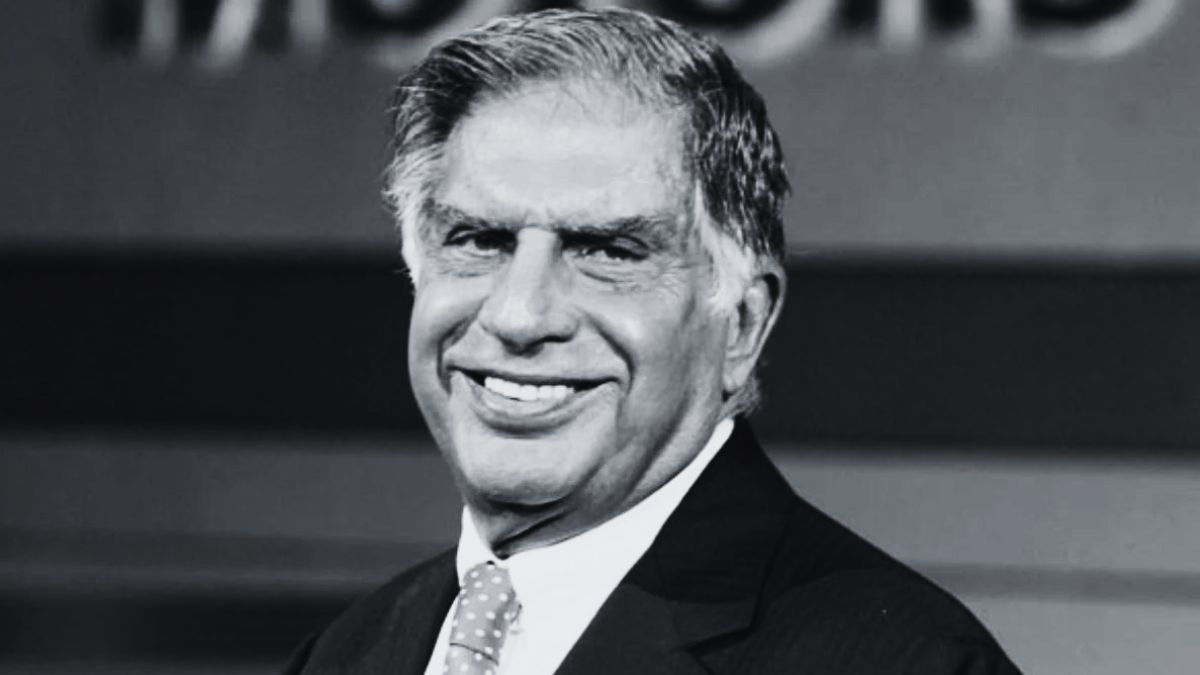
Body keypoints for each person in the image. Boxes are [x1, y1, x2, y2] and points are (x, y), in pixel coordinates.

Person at [284, 8, 1020, 675]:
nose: (518, 315)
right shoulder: (347, 653)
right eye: (478, 239)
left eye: (607, 251)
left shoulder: (909, 663)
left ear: (743, 323)